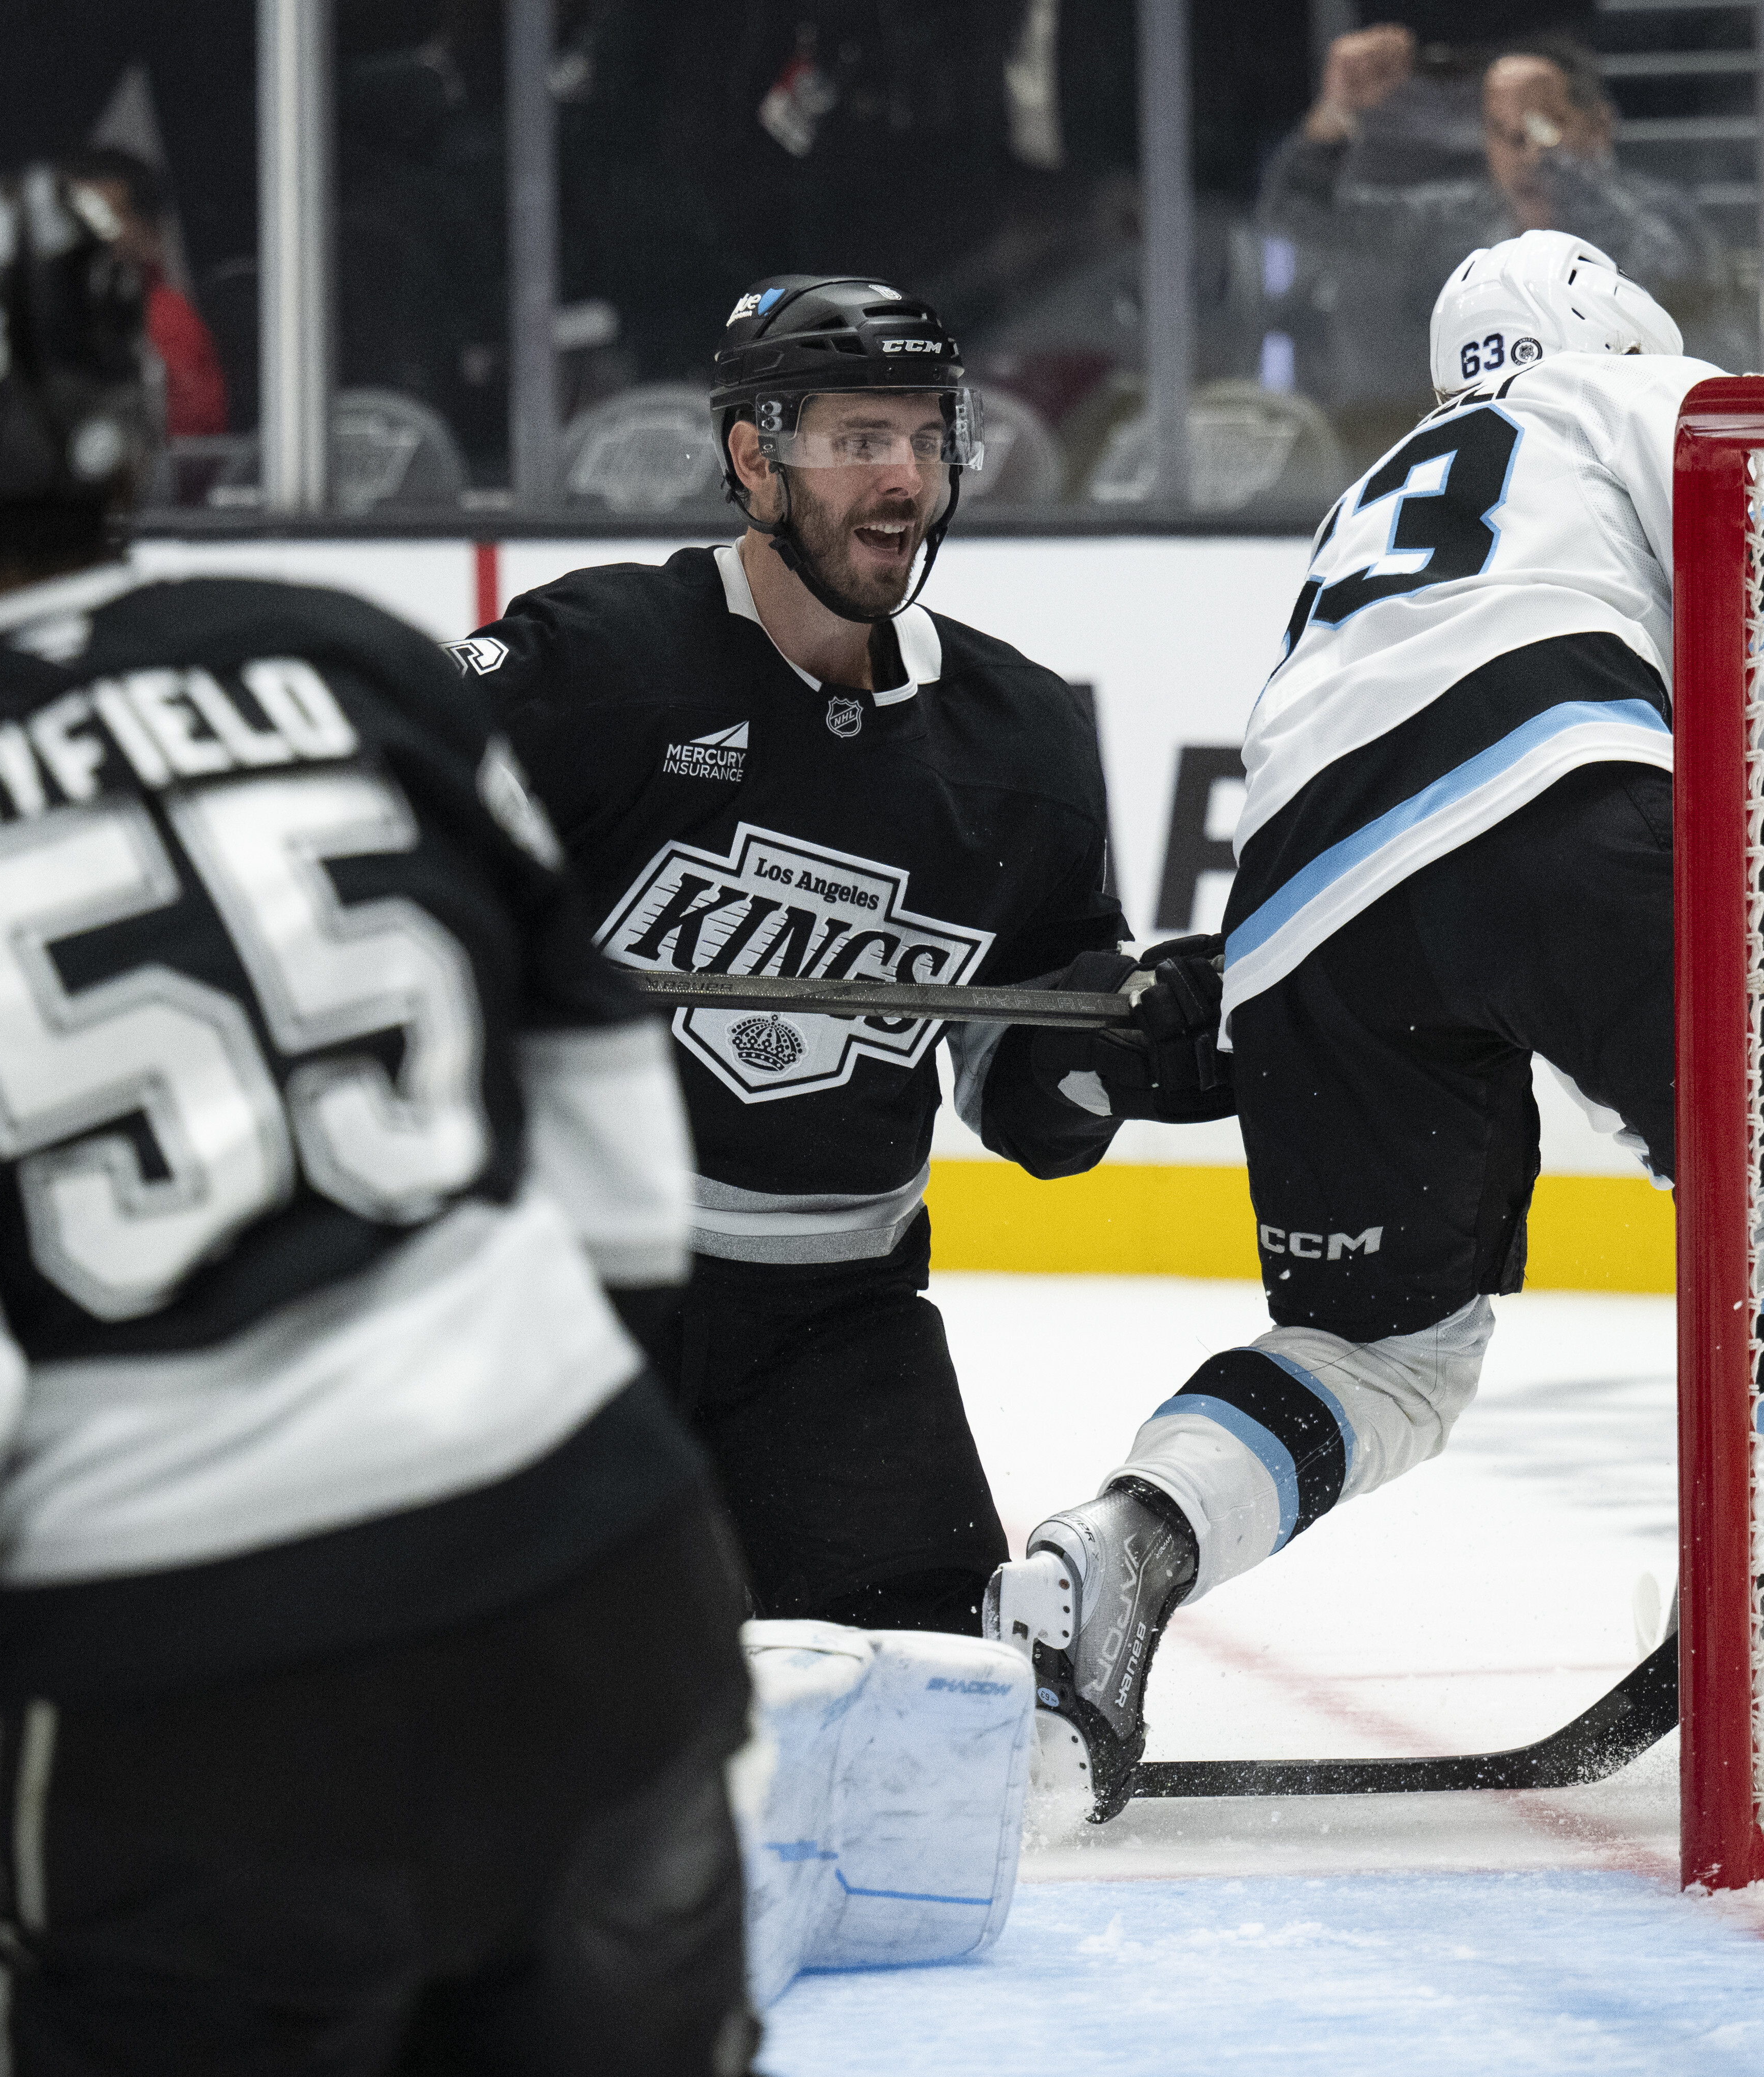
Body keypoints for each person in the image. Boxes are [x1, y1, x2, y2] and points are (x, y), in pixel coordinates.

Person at [0, 166, 843, 2077]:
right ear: (145, 418)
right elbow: (621, 1185)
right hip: (610, 1597)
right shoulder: (348, 661)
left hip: (201, 1713)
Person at [989, 231, 1764, 1822]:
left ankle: (1124, 1543)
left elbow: (1369, 788)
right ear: (1613, 320)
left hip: (1298, 901)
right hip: (1555, 797)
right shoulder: (1659, 396)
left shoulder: (1377, 492)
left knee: (1384, 1348)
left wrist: (1241, 1008)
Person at [449, 274, 1231, 1640]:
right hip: (568, 1295)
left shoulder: (1020, 739)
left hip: (835, 1318)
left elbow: (1022, 1092)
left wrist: (1123, 1056)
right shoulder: (598, 668)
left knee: (925, 1702)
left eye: (927, 438)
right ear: (753, 458)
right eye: (858, 440)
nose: (903, 482)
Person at [1263, 27, 1724, 439]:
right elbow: (1298, 215)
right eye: (1501, 130)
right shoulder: (1455, 220)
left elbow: (1685, 299)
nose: (1523, 151)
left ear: (1598, 126)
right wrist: (1337, 110)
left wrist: (1566, 173)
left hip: (1626, 453)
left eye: (1544, 125)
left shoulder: (1658, 216)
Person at [64, 146, 228, 437]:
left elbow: (203, 406)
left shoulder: (179, 295)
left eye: (99, 213)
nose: (96, 229)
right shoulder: (134, 286)